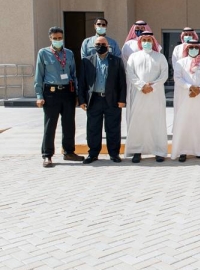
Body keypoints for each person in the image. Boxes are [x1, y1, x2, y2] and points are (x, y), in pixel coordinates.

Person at [34, 27, 84, 167]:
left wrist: (77, 93)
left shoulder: (68, 53)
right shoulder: (43, 53)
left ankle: (69, 152)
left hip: (67, 92)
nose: (57, 40)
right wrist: (39, 95)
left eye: (59, 38)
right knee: (50, 125)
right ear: (50, 38)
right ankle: (47, 155)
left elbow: (73, 74)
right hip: (51, 93)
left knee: (69, 124)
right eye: (55, 38)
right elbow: (39, 75)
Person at [78, 36, 127, 164]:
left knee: (113, 128)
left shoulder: (116, 61)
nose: (101, 46)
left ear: (108, 46)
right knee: (93, 128)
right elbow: (82, 82)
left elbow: (122, 81)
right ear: (94, 46)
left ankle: (114, 154)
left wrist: (122, 99)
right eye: (98, 44)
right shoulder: (87, 61)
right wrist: (81, 100)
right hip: (94, 99)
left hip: (112, 100)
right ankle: (93, 154)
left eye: (103, 44)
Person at [125, 31, 169, 163]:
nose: (146, 42)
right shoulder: (133, 57)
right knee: (138, 122)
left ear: (153, 42)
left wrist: (152, 86)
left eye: (149, 40)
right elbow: (130, 73)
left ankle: (159, 151)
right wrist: (142, 85)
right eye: (144, 40)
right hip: (139, 94)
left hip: (156, 95)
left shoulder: (160, 57)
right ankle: (137, 151)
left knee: (157, 122)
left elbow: (164, 75)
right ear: (140, 42)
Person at [171, 40, 200, 162]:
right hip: (185, 97)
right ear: (187, 49)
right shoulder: (180, 63)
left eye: (196, 47)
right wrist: (190, 87)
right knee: (184, 123)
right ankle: (183, 151)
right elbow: (177, 78)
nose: (193, 49)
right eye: (191, 47)